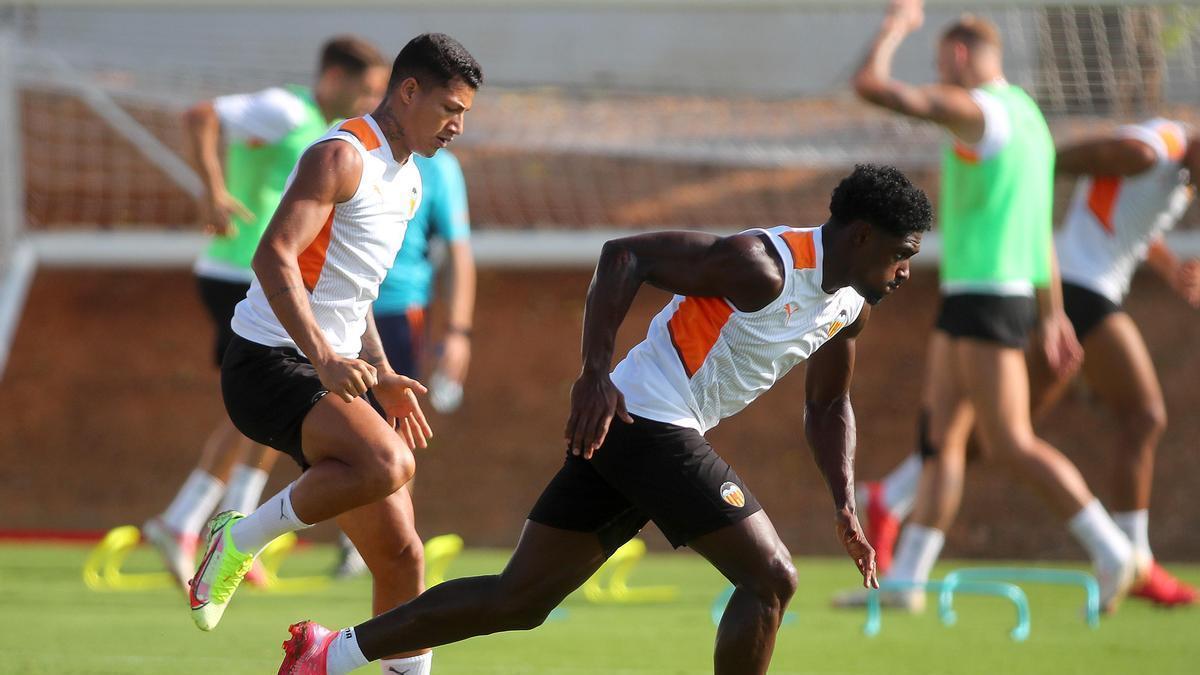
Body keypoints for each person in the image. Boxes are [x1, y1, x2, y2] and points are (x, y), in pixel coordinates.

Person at [275, 164, 932, 675]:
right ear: (861, 236)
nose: (906, 270)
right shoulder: (764, 265)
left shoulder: (850, 305)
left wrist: (844, 502)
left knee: (518, 599)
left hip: (635, 433)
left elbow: (827, 403)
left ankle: (328, 654)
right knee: (771, 578)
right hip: (645, 420)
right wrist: (593, 374)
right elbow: (624, 255)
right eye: (902, 252)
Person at [187, 33, 482, 675]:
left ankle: (343, 663)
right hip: (267, 362)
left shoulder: (408, 179)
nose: (457, 126)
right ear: (408, 92)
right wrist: (324, 356)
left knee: (403, 557)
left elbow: (355, 292)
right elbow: (273, 256)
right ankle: (238, 537)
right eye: (449, 109)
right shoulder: (341, 155)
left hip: (327, 371)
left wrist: (385, 372)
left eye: (464, 114)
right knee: (389, 462)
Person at [839, 0, 1136, 613]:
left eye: (940, 62)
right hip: (976, 296)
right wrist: (1051, 311)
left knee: (1010, 442)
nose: (939, 74)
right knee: (940, 442)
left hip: (989, 297)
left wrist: (895, 27)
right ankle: (907, 583)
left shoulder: (980, 112)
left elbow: (875, 88)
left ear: (958, 55)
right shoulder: (1031, 119)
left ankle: (1113, 550)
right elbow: (1039, 225)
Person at [861, 117, 1200, 605]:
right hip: (1078, 287)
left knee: (997, 430)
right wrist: (1030, 172)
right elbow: (1070, 160)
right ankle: (1129, 557)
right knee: (1138, 416)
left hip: (1086, 287)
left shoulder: (1179, 171)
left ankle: (890, 498)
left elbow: (1130, 221)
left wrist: (1169, 267)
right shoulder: (1152, 149)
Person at [143, 35, 388, 588]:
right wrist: (212, 190)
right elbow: (201, 114)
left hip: (271, 281)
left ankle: (221, 523)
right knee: (271, 398)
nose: (372, 102)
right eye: (366, 89)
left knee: (270, 409)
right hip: (241, 272)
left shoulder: (332, 133)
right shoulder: (287, 109)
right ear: (334, 78)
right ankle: (186, 522)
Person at [333, 147, 476, 579]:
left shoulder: (438, 167)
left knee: (395, 427)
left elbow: (459, 250)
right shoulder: (344, 148)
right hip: (335, 306)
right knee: (334, 424)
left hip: (398, 310)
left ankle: (386, 543)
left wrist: (458, 332)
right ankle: (359, 538)